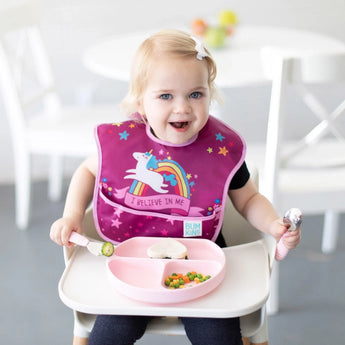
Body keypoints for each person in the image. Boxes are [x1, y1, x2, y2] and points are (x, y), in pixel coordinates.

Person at [50, 29, 301, 345]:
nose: (182, 108)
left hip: (202, 265)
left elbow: (248, 198)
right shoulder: (125, 142)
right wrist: (72, 214)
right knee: (109, 334)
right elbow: (87, 171)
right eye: (166, 96)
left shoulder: (219, 149)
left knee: (219, 336)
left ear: (210, 94)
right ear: (141, 101)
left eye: (196, 94)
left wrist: (274, 223)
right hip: (133, 263)